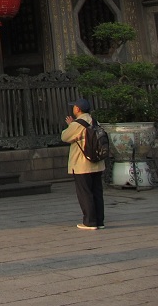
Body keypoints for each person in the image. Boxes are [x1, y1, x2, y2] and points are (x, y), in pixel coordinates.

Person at [61, 97, 105, 230]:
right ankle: (99, 221)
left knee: (85, 193)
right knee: (97, 192)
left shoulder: (77, 124)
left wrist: (70, 125)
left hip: (82, 164)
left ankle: (89, 222)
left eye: (74, 107)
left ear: (78, 109)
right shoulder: (95, 121)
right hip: (97, 162)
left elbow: (65, 137)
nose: (73, 108)